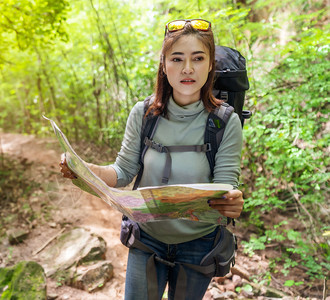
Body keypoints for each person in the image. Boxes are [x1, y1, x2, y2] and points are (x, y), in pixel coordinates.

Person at [59, 18, 244, 300]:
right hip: (147, 239)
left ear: (210, 66)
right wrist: (84, 169)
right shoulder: (144, 114)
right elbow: (122, 171)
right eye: (177, 58)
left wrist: (232, 203)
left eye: (198, 58)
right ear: (164, 64)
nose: (187, 69)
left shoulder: (225, 122)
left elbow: (225, 186)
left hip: (199, 243)